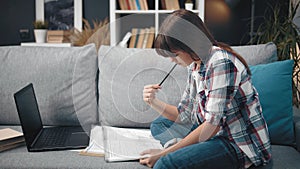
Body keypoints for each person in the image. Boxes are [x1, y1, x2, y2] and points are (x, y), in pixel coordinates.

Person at [140, 9, 272, 169]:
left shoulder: (221, 64)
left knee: (166, 164)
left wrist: (165, 154)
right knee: (159, 125)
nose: (171, 60)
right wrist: (153, 101)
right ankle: (183, 150)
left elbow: (212, 125)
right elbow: (185, 114)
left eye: (174, 54)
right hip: (213, 133)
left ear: (190, 44)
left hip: (236, 142)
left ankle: (175, 151)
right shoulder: (195, 64)